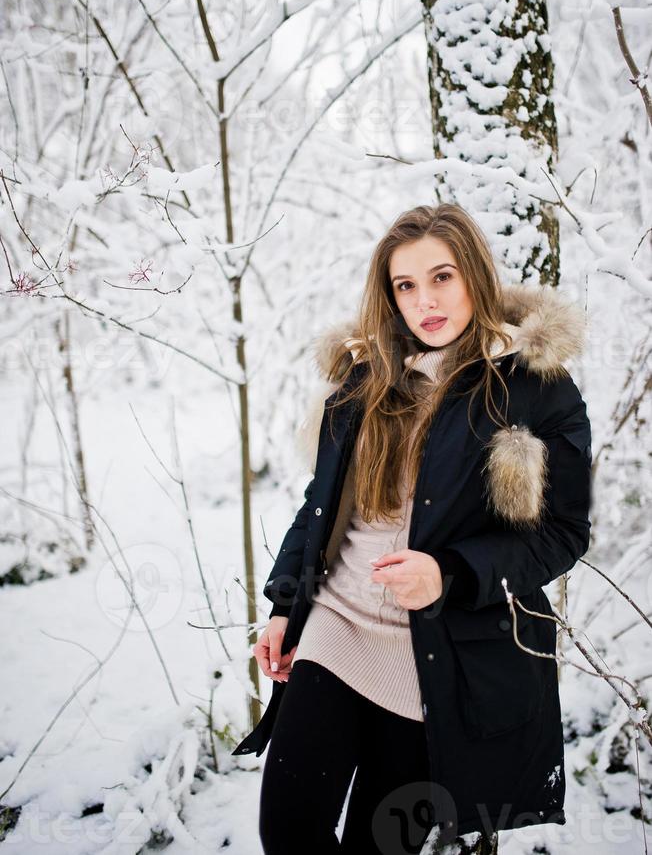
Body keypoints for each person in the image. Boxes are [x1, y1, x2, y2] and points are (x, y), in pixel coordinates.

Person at [232, 203, 593, 855]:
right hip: (337, 627)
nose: (424, 301)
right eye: (405, 285)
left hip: (437, 656)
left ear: (475, 276)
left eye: (442, 277)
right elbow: (322, 504)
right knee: (287, 831)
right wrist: (287, 605)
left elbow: (564, 532)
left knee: (381, 844)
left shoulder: (533, 388)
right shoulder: (362, 378)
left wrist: (450, 572)